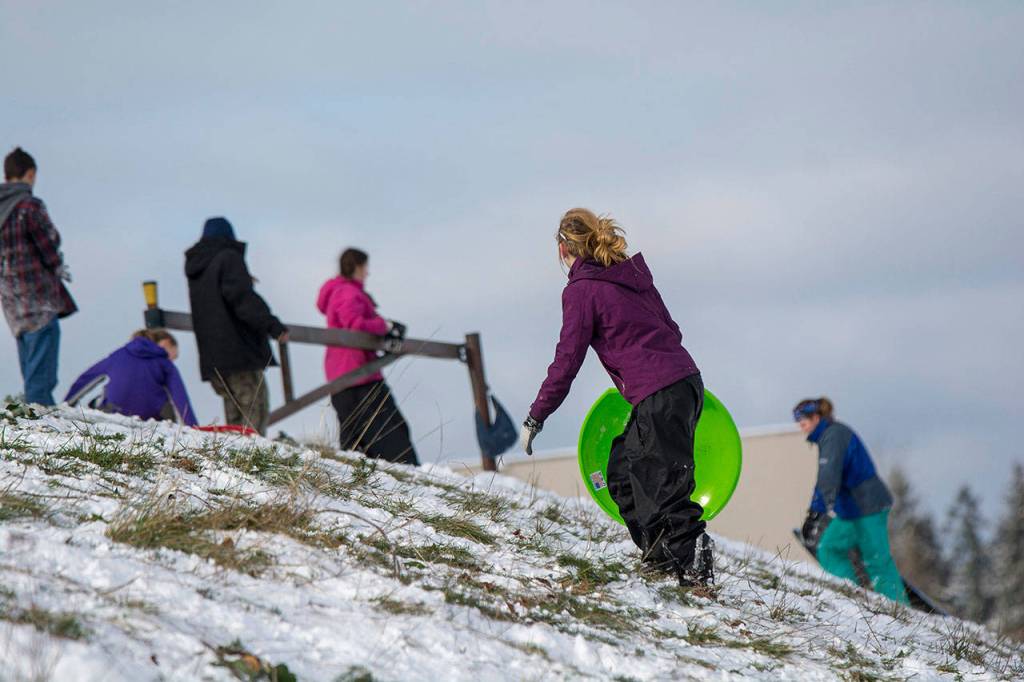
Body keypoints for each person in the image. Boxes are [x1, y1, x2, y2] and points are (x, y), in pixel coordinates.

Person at [521, 208, 713, 586]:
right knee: (623, 476)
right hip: (683, 384)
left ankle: (691, 569)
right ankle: (660, 562)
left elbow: (567, 360)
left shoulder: (581, 291)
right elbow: (671, 329)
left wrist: (536, 415)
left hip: (661, 392)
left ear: (562, 249)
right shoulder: (631, 276)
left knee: (661, 485)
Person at [794, 397, 909, 604]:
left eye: (803, 422)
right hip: (850, 510)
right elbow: (827, 479)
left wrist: (816, 512)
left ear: (816, 417)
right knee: (830, 549)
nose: (801, 427)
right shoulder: (828, 436)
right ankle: (853, 597)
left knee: (876, 560)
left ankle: (897, 607)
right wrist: (817, 511)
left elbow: (827, 477)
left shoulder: (834, 435)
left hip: (868, 506)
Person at [184, 217, 287, 435]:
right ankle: (251, 460)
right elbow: (242, 300)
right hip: (238, 352)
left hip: (213, 355)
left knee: (234, 412)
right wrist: (273, 326)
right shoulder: (228, 258)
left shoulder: (198, 267)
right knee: (255, 408)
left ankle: (236, 458)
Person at [317, 248, 418, 465]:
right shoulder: (347, 292)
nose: (368, 273)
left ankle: (358, 478)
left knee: (355, 436)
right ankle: (408, 474)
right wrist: (385, 325)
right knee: (390, 433)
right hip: (359, 373)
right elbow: (354, 325)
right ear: (356, 267)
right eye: (365, 267)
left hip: (344, 373)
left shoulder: (343, 291)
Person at [0, 147, 77, 405]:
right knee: (41, 375)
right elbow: (49, 243)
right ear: (30, 174)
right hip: (38, 296)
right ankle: (40, 419)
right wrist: (57, 265)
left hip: (11, 300)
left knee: (29, 364)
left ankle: (32, 414)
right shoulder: (28, 206)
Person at [65, 329, 198, 426]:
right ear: (166, 343)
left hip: (114, 411)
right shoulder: (164, 363)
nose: (172, 359)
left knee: (99, 398)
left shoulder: (118, 355)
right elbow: (180, 397)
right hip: (152, 415)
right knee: (165, 400)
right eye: (174, 356)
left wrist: (67, 403)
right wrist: (192, 427)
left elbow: (87, 378)